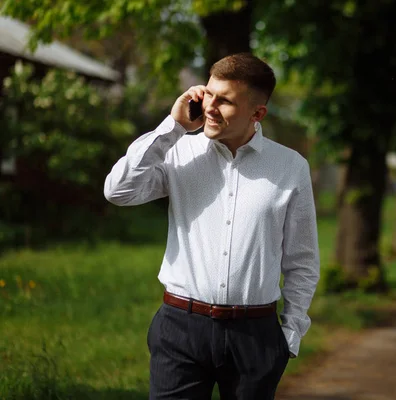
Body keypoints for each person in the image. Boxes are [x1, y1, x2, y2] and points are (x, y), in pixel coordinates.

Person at [104, 53, 320, 399]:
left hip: (256, 337)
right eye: (209, 95)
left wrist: (289, 334)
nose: (211, 107)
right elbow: (118, 191)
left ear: (257, 113)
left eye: (225, 101)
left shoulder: (290, 167)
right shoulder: (179, 152)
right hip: (180, 329)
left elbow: (302, 260)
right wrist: (172, 127)